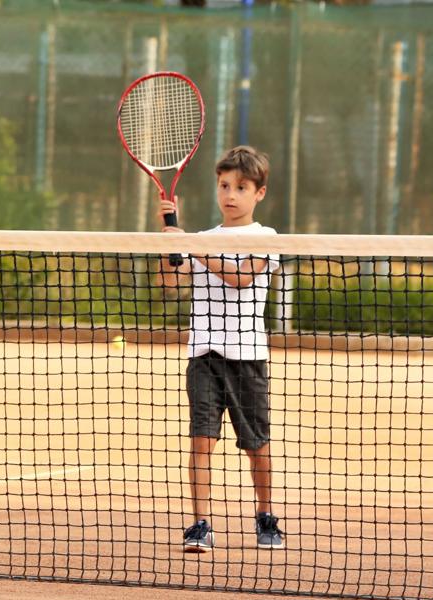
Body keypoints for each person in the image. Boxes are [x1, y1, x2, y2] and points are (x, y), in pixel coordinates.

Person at [158, 145, 285, 553]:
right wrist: (169, 242)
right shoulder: (201, 239)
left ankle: (266, 516)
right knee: (200, 440)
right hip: (204, 354)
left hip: (248, 356)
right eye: (225, 185)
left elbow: (243, 278)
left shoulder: (266, 238)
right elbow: (169, 285)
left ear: (259, 193)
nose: (230, 194)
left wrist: (193, 246)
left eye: (241, 187)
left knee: (256, 445)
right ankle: (199, 523)